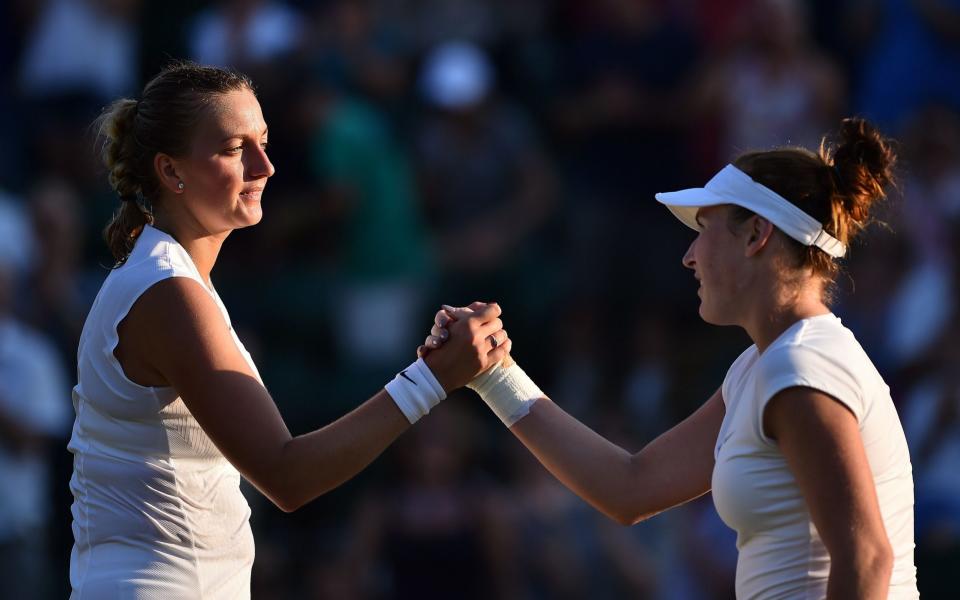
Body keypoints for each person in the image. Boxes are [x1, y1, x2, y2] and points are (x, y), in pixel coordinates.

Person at [69, 61, 510, 599]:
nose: (266, 166)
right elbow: (286, 476)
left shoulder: (165, 277)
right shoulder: (168, 291)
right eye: (236, 149)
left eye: (264, 141)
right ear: (170, 171)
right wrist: (431, 380)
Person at [425, 118, 918, 598]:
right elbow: (629, 488)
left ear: (756, 235)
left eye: (704, 229)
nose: (689, 255)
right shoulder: (761, 369)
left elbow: (867, 559)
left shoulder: (800, 371)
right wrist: (494, 375)